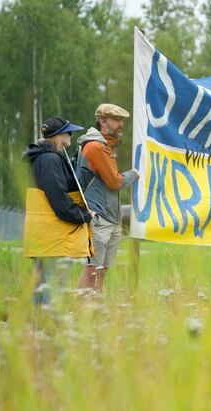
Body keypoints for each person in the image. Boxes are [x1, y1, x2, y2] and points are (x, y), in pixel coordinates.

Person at [22, 117, 93, 306]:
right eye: (68, 132)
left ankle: (36, 330)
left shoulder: (41, 157)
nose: (71, 135)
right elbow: (59, 200)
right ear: (58, 135)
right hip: (54, 235)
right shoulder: (51, 159)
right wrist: (84, 215)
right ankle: (50, 329)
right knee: (55, 282)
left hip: (43, 233)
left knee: (41, 282)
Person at [76, 103, 139, 292]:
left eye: (122, 120)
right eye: (117, 120)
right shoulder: (95, 147)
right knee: (92, 269)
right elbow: (114, 182)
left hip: (111, 219)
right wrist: (135, 173)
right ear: (103, 122)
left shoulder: (105, 146)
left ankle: (95, 307)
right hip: (99, 219)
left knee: (102, 269)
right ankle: (82, 309)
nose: (121, 124)